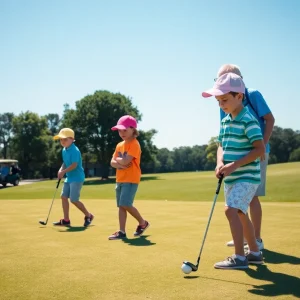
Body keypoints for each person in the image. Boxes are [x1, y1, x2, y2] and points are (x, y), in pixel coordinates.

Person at [202, 73, 265, 269]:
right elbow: (221, 145)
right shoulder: (225, 120)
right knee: (238, 212)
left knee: (231, 210)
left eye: (225, 100)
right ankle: (254, 252)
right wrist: (219, 162)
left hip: (247, 175)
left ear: (239, 97)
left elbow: (260, 149)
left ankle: (239, 257)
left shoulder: (249, 120)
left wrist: (235, 164)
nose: (221, 104)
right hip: (231, 176)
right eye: (218, 101)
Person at [216, 64, 275, 250]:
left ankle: (255, 240)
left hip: (255, 151)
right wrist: (221, 161)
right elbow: (224, 136)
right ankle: (243, 238)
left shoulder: (253, 95)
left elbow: (269, 119)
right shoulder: (223, 102)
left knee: (252, 196)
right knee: (237, 203)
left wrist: (263, 146)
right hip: (234, 156)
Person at [108, 115, 150, 240]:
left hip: (131, 179)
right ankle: (122, 231)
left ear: (133, 129)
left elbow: (126, 161)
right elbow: (112, 162)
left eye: (124, 130)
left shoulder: (135, 144)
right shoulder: (119, 145)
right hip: (120, 179)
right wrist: (120, 162)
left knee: (126, 203)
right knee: (121, 206)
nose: (121, 133)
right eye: (119, 130)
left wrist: (119, 161)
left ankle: (143, 223)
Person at [52, 128, 94, 227]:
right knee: (63, 197)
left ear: (72, 139)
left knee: (74, 199)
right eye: (61, 140)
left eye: (65, 139)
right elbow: (65, 163)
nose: (62, 141)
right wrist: (60, 170)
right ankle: (66, 220)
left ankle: (88, 215)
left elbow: (74, 165)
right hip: (69, 177)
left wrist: (63, 172)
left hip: (77, 178)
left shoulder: (75, 150)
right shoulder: (64, 150)